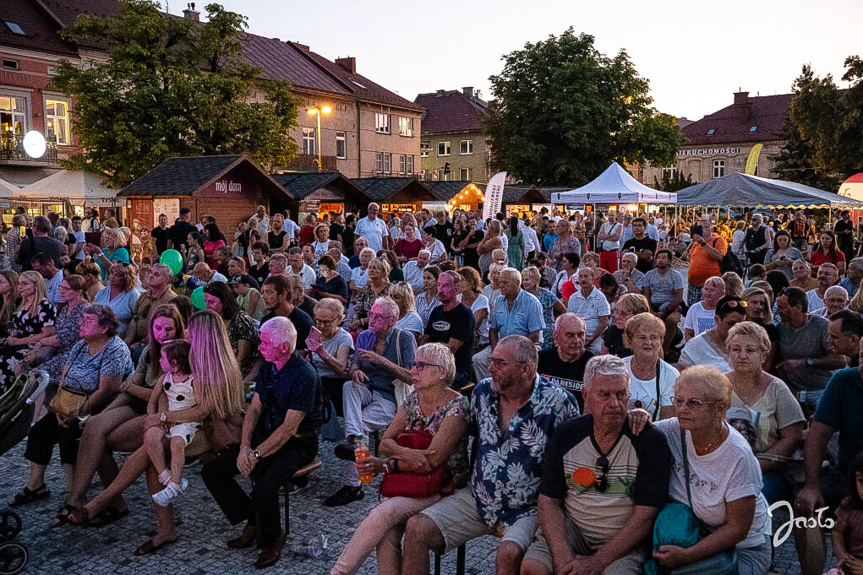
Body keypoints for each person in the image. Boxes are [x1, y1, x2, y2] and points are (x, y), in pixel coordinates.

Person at [402, 335, 579, 575]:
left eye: (499, 363)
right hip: (479, 498)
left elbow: (575, 457)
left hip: (528, 507)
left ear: (525, 369)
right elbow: (461, 430)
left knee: (508, 554)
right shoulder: (483, 392)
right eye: (492, 360)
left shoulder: (559, 403)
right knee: (416, 528)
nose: (490, 367)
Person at [521, 354, 671, 575]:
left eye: (621, 394)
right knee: (533, 568)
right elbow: (549, 501)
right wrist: (563, 557)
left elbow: (645, 515)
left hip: (622, 540)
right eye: (604, 394)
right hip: (574, 530)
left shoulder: (649, 440)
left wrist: (598, 562)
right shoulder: (568, 434)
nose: (614, 403)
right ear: (586, 395)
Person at [329, 343, 470, 575]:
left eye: (421, 366)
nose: (413, 370)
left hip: (444, 484)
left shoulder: (457, 406)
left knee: (384, 512)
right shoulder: (414, 398)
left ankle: (339, 572)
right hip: (410, 478)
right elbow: (385, 443)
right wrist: (411, 455)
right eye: (414, 364)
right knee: (385, 534)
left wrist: (388, 464)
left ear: (442, 372)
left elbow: (432, 462)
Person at [14, 305, 133, 519]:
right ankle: (36, 485)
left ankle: (76, 493)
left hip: (102, 405)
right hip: (71, 401)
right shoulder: (80, 345)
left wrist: (76, 412)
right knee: (41, 430)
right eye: (82, 320)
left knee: (71, 436)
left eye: (87, 321)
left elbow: (107, 390)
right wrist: (59, 406)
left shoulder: (115, 349)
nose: (81, 324)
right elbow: (63, 378)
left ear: (105, 327)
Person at [653, 366, 772, 575]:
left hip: (742, 549)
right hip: (694, 533)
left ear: (721, 408)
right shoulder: (674, 429)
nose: (682, 409)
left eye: (694, 403)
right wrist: (637, 415)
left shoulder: (738, 456)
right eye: (678, 401)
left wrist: (687, 556)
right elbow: (640, 429)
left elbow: (738, 529)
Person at [325, 297, 416, 506]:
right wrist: (356, 371)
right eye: (372, 314)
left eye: (378, 316)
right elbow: (354, 366)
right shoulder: (365, 336)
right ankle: (354, 440)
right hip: (366, 390)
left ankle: (354, 485)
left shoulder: (404, 339)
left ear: (392, 320)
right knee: (349, 386)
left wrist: (381, 361)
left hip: (390, 397)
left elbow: (411, 376)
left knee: (360, 426)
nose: (372, 320)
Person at [725, 322, 805, 505]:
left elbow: (792, 437)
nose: (742, 355)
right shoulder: (717, 385)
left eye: (750, 350)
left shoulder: (777, 389)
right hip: (722, 466)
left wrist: (754, 466)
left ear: (764, 354)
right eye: (736, 349)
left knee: (748, 501)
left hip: (767, 470)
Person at [141, 339, 198, 506]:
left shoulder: (194, 380)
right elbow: (152, 401)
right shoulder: (165, 379)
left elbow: (198, 407)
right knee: (150, 436)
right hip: (166, 417)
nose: (159, 360)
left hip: (186, 419)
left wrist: (172, 418)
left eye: (162, 358)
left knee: (177, 442)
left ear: (174, 362)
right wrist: (154, 419)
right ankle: (165, 475)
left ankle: (174, 484)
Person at [774, 286, 846, 413]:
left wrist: (805, 362)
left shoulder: (821, 326)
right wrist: (790, 390)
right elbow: (779, 366)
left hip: (820, 389)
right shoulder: (780, 328)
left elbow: (840, 361)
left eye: (783, 307)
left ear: (798, 307)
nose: (778, 312)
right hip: (793, 390)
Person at [472, 268, 545, 383]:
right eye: (500, 282)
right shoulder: (499, 301)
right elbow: (493, 330)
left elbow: (535, 335)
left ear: (517, 283)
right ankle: (491, 389)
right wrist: (496, 350)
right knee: (478, 360)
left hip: (526, 346)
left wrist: (514, 350)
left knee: (514, 365)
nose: (500, 285)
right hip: (503, 344)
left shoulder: (532, 303)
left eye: (504, 282)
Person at [0, 271, 56, 392]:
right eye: (19, 283)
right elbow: (20, 328)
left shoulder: (45, 306)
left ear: (36, 285)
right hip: (17, 343)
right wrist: (14, 335)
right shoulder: (23, 304)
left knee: (3, 362)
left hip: (32, 347)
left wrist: (18, 341)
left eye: (24, 284)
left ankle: (9, 398)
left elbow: (48, 332)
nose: (20, 287)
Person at [420, 270, 475, 390]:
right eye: (439, 285)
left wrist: (427, 351)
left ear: (457, 289)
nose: (440, 290)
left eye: (445, 286)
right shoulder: (436, 311)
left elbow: (451, 349)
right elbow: (425, 339)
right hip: (431, 364)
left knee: (430, 382)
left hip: (456, 369)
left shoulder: (465, 314)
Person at [623, 312, 678, 421]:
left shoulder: (671, 376)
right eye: (642, 337)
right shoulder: (619, 369)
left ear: (661, 341)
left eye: (654, 338)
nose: (648, 342)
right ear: (630, 341)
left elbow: (666, 423)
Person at [537, 313, 594, 410]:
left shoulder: (593, 365)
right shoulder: (540, 359)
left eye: (580, 335)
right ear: (556, 337)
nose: (576, 340)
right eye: (570, 335)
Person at [203, 281, 260, 379]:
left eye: (211, 302)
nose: (207, 306)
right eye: (206, 301)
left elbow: (242, 359)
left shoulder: (241, 319)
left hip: (241, 374)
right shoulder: (214, 321)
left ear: (225, 302)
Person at [307, 298, 354, 415]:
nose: (321, 326)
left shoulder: (344, 337)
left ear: (338, 319)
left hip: (331, 385)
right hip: (313, 379)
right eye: (318, 321)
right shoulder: (314, 332)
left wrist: (321, 352)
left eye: (326, 322)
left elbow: (340, 368)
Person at [678, 296, 747, 372]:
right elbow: (682, 377)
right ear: (717, 319)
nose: (736, 329)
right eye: (731, 324)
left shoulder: (749, 343)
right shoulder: (696, 346)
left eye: (741, 324)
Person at [123, 263, 176, 358]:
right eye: (151, 272)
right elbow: (135, 320)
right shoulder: (144, 296)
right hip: (137, 338)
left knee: (138, 354)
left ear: (166, 280)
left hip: (157, 342)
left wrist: (141, 344)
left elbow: (164, 331)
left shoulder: (170, 300)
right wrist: (126, 341)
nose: (151, 276)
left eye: (156, 274)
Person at [643, 249, 685, 356]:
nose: (661, 260)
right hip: (653, 306)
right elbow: (646, 295)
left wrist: (665, 311)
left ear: (670, 261)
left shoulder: (676, 276)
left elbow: (678, 298)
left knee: (671, 320)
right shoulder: (648, 275)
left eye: (664, 258)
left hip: (671, 307)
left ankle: (665, 349)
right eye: (659, 258)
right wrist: (651, 311)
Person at [260, 275, 313, 350]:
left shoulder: (303, 322)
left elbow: (303, 355)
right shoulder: (266, 321)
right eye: (263, 292)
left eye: (269, 292)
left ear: (283, 295)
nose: (264, 297)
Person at [566, 267, 610, 355]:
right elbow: (570, 320)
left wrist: (592, 337)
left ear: (593, 278)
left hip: (596, 337)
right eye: (580, 277)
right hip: (577, 335)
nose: (582, 279)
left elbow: (604, 322)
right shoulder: (573, 298)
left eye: (586, 277)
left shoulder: (600, 297)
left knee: (596, 352)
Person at [522, 266, 566, 351]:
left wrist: (558, 329)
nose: (524, 282)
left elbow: (563, 310)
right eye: (523, 280)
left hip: (546, 333)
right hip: (528, 331)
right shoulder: (522, 296)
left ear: (536, 280)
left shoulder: (546, 294)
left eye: (527, 280)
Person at [687, 215, 727, 307]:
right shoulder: (696, 243)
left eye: (705, 227)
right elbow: (689, 257)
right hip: (694, 284)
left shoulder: (718, 241)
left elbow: (719, 256)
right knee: (694, 309)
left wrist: (703, 244)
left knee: (708, 309)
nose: (702, 229)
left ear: (711, 230)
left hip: (710, 286)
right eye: (700, 227)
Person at [93, 263, 140, 335]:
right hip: (96, 332)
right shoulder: (103, 291)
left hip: (119, 335)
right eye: (112, 273)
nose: (112, 277)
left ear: (126, 278)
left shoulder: (132, 294)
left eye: (117, 275)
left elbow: (137, 319)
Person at [741, 287, 779, 371]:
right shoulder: (734, 327)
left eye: (762, 303)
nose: (758, 307)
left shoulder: (770, 330)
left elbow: (767, 363)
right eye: (754, 302)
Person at [601, 293, 649, 358]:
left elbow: (656, 365)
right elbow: (602, 360)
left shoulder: (649, 337)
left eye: (624, 313)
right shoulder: (612, 332)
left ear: (638, 316)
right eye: (617, 311)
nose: (617, 316)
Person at [351, 258, 392, 332]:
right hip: (363, 324)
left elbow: (384, 314)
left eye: (375, 268)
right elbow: (358, 308)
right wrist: (356, 323)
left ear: (383, 272)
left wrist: (361, 322)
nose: (371, 270)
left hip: (381, 326)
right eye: (370, 267)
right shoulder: (367, 287)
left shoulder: (390, 289)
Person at [457, 266, 489, 352]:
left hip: (479, 343)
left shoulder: (482, 300)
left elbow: (474, 324)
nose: (459, 283)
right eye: (458, 280)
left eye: (462, 280)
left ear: (471, 282)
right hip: (458, 338)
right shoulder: (457, 298)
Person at [683, 276, 725, 341]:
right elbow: (688, 333)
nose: (708, 293)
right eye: (706, 289)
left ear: (722, 293)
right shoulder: (694, 308)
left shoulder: (725, 309)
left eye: (712, 290)